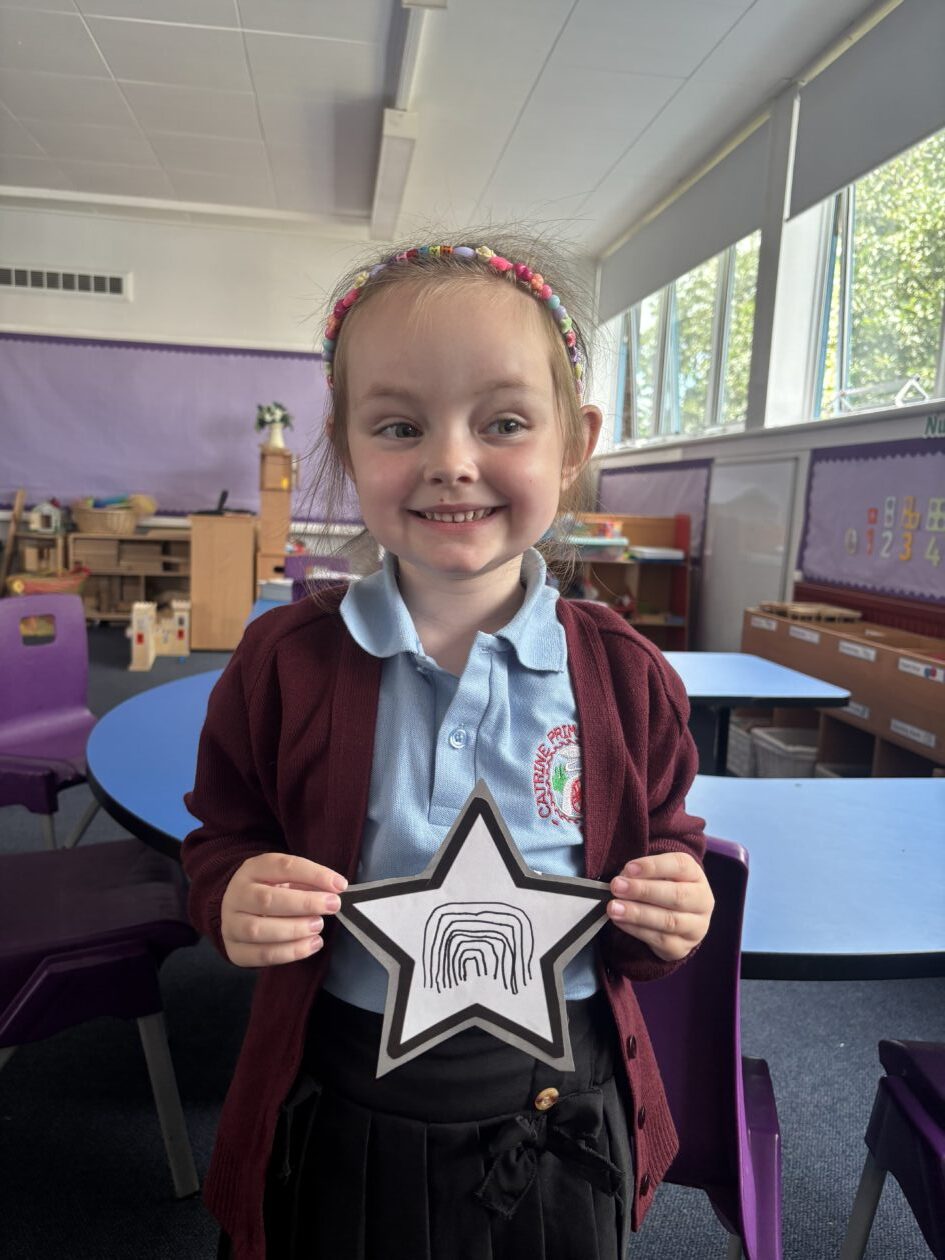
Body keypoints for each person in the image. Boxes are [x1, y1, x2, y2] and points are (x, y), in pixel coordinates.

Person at [182, 237, 714, 1260]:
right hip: (340, 1103)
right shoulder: (284, 661)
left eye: (503, 422)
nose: (451, 461)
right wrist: (229, 894)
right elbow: (223, 834)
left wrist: (670, 910)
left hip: (556, 1114)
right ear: (345, 443)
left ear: (573, 444)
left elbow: (664, 848)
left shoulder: (624, 676)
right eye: (399, 425)